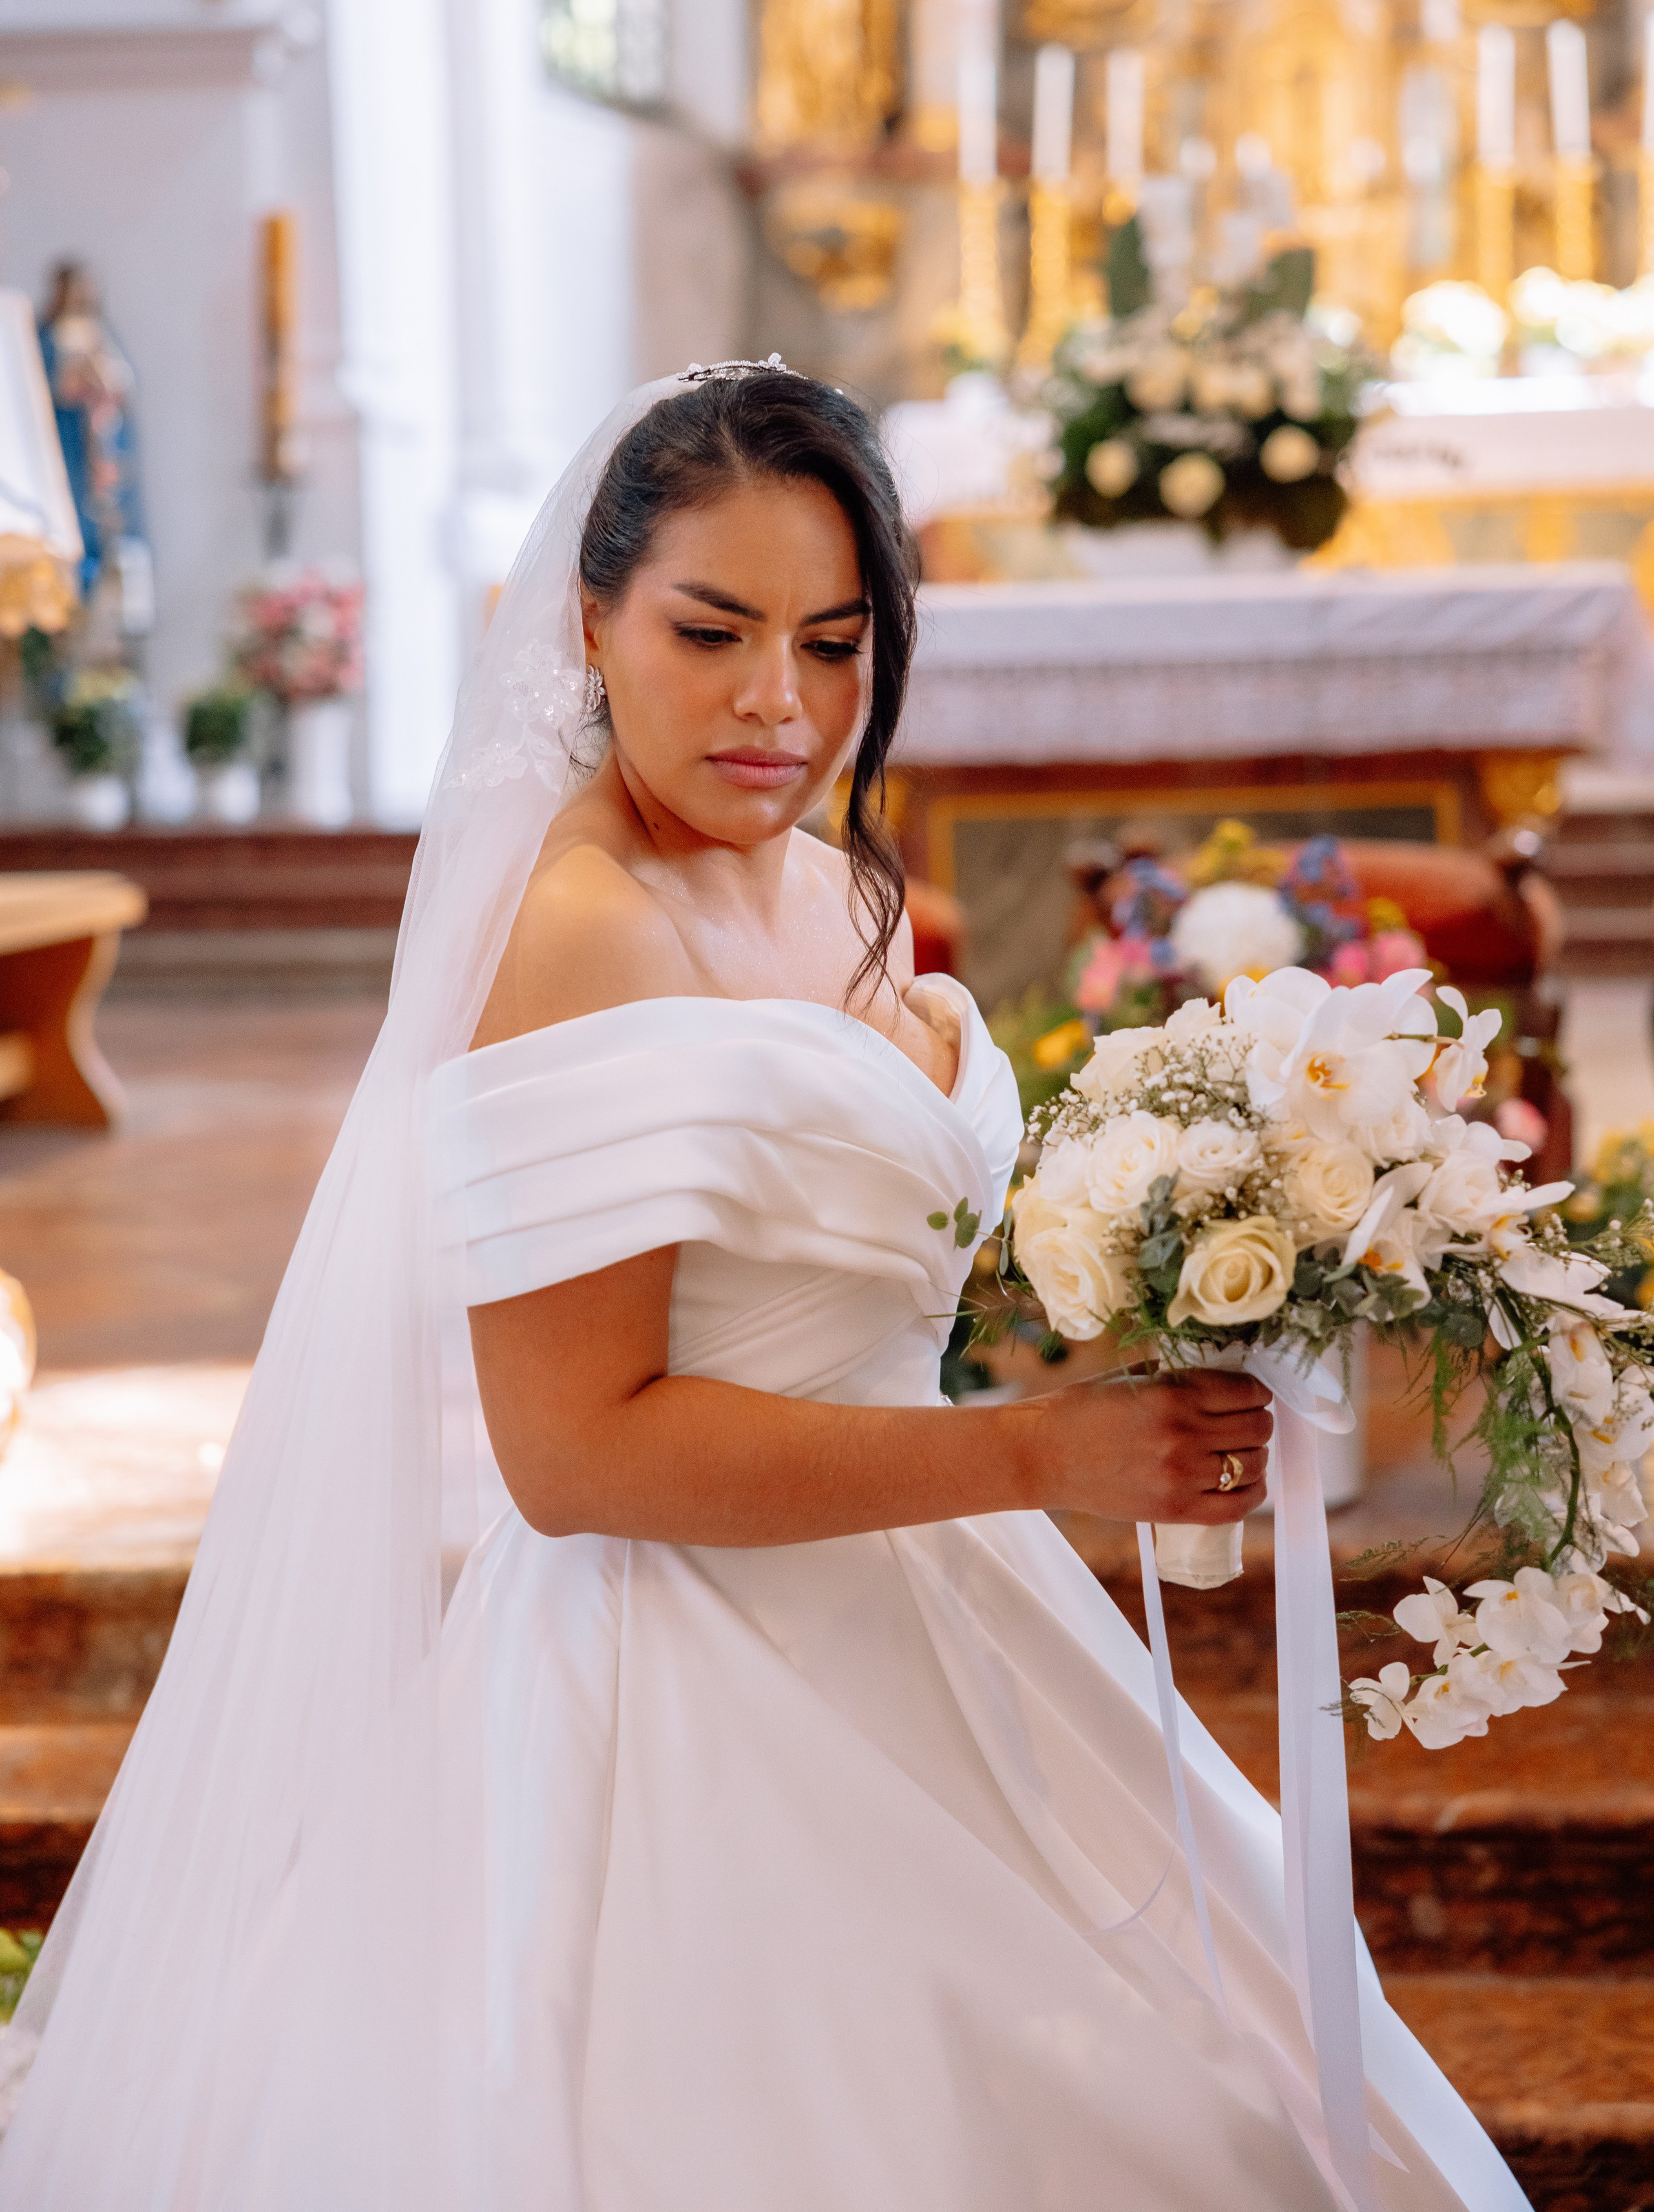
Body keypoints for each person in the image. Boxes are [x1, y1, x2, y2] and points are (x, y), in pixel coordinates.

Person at [0, 362, 1525, 2210]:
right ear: (591, 623)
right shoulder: (585, 930)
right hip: (692, 1686)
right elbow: (574, 1458)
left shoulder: (834, 879)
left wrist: (1195, 1244)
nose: (776, 704)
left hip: (947, 1597)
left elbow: (856, 1266)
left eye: (834, 642)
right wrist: (1042, 1453)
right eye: (711, 633)